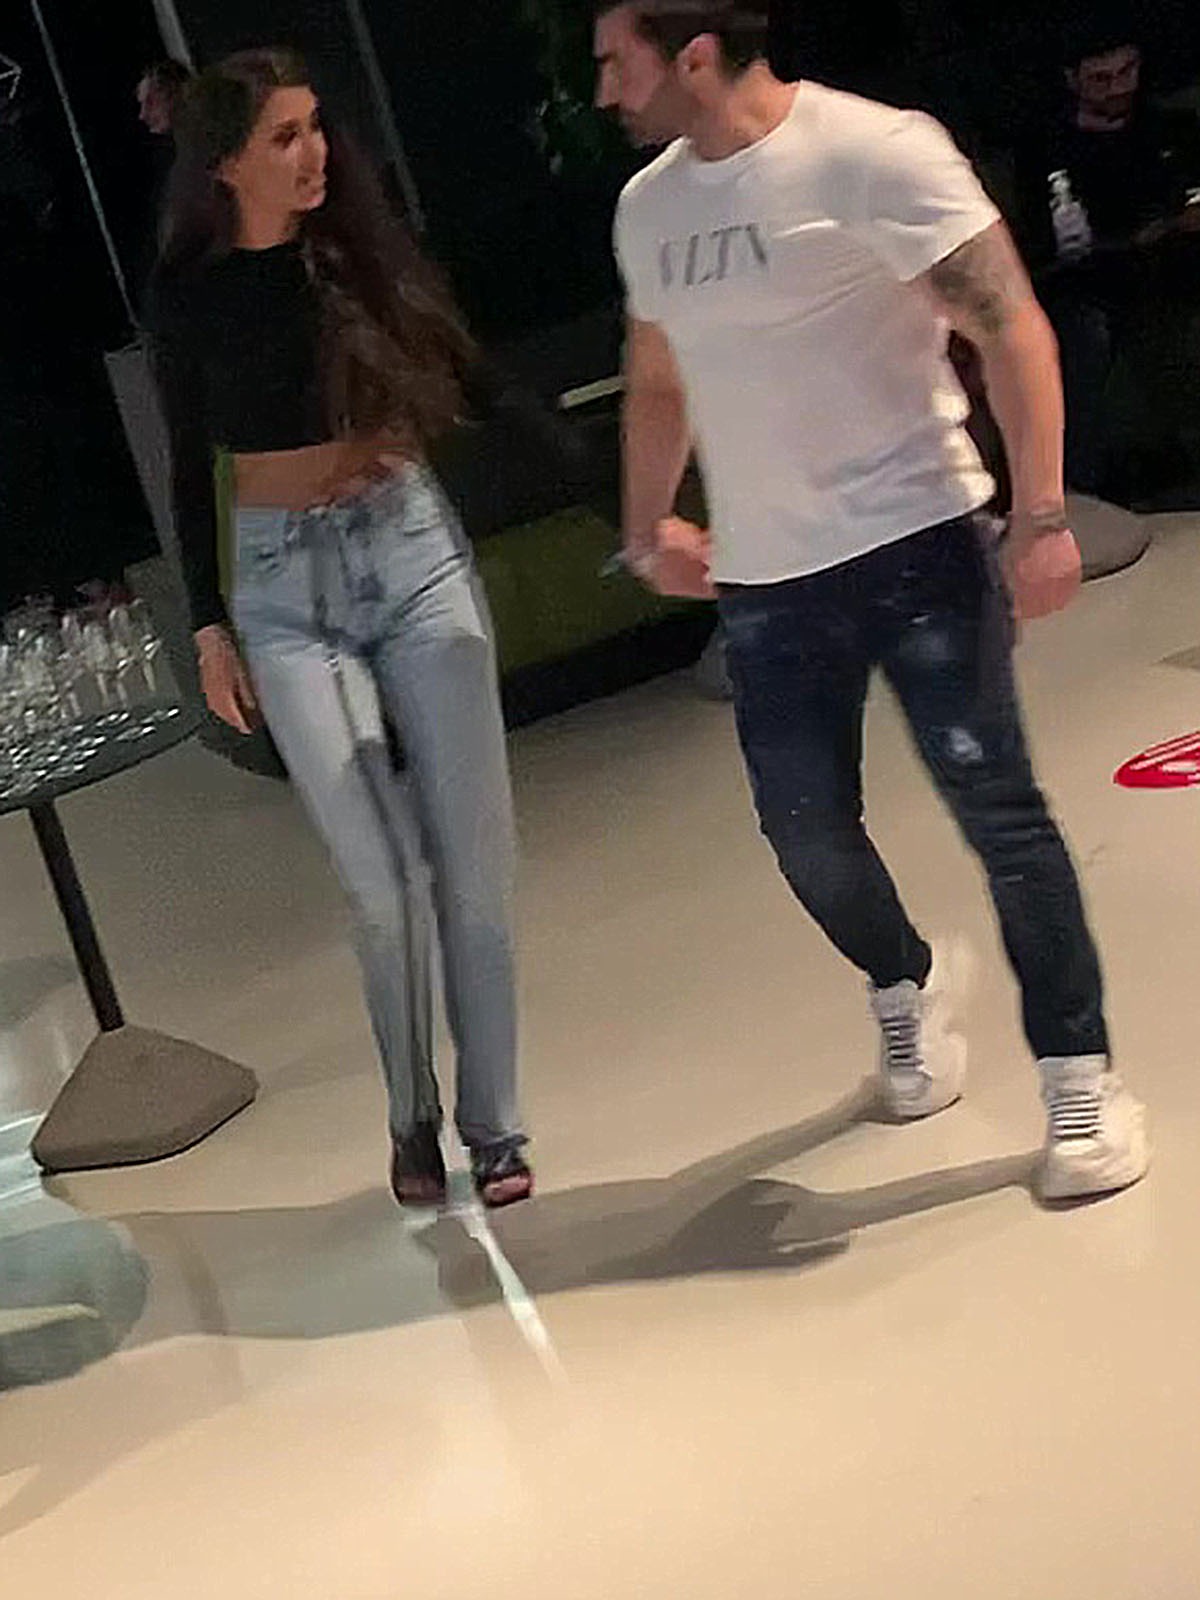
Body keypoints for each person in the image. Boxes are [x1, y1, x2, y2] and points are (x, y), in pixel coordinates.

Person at [594, 0, 1149, 1200]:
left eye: (616, 64)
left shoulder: (874, 151)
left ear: (696, 56)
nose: (603, 92)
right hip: (767, 579)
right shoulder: (650, 206)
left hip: (919, 543)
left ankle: (1081, 1077)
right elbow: (657, 377)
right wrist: (646, 529)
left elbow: (1010, 325)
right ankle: (906, 979)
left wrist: (1042, 514)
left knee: (1000, 814)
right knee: (805, 835)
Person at [148, 48, 535, 1209]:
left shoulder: (362, 252)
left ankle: (496, 1128)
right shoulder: (189, 293)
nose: (314, 152)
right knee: (379, 880)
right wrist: (208, 622)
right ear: (226, 163)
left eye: (317, 127)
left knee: (476, 868)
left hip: (411, 554)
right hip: (284, 593)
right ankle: (412, 1115)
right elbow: (187, 464)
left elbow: (469, 367)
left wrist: (604, 470)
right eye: (285, 136)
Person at [1013, 26, 1200, 496]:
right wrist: (1143, 234)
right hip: (1085, 282)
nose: (1118, 87)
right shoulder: (1048, 148)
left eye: (1127, 72)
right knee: (1084, 337)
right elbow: (1049, 245)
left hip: (1173, 269)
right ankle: (1081, 488)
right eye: (1101, 79)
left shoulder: (1168, 129)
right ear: (1073, 80)